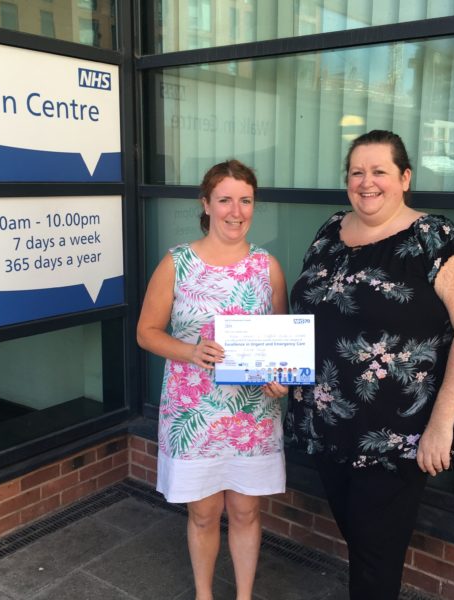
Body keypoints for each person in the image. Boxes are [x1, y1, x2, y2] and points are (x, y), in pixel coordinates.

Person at [286, 130, 454, 599]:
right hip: (326, 426)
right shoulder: (329, 232)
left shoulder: (435, 239)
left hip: (396, 435)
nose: (367, 182)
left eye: (379, 171)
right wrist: (280, 371)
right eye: (357, 171)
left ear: (404, 177)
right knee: (359, 542)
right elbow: (310, 318)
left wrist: (442, 424)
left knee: (376, 560)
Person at [137, 159, 288, 600]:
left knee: (245, 511)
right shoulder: (177, 263)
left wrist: (280, 377)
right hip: (194, 412)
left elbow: (280, 341)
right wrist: (190, 351)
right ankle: (204, 595)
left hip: (253, 414)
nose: (235, 211)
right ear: (206, 204)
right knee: (203, 513)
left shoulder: (267, 267)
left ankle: (243, 596)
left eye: (245, 201)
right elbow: (146, 332)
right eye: (225, 200)